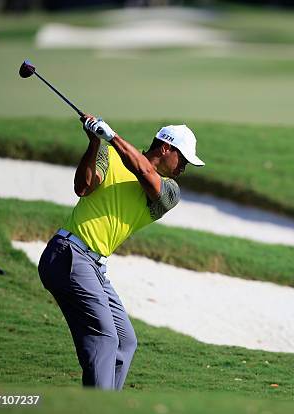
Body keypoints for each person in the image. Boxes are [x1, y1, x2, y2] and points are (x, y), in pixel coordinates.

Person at [37, 115, 205, 390]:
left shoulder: (169, 192)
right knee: (104, 337)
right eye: (183, 159)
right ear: (166, 148)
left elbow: (146, 176)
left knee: (125, 342)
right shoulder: (109, 154)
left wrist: (111, 136)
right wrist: (94, 143)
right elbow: (83, 187)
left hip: (93, 266)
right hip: (69, 253)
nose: (184, 167)